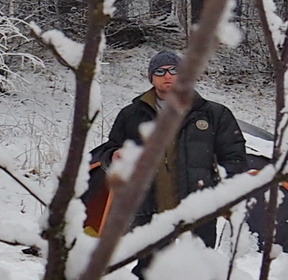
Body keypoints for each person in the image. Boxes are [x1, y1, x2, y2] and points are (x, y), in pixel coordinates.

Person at [92, 49, 249, 250]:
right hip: (147, 207)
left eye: (174, 70)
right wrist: (113, 156)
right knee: (147, 271)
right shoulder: (132, 114)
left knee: (198, 269)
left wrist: (217, 193)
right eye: (159, 71)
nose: (167, 75)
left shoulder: (214, 114)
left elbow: (235, 158)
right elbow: (109, 150)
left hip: (199, 207)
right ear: (151, 78)